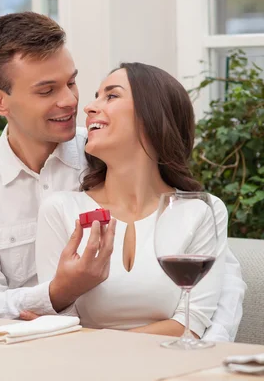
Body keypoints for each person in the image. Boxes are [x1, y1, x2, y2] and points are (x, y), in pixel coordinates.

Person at [0, 12, 246, 341]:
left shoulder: (112, 149)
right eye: (47, 90)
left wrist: (204, 346)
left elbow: (223, 279)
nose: (72, 101)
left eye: (71, 82)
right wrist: (57, 294)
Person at [35, 63, 227, 338]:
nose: (89, 107)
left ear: (152, 115)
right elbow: (60, 327)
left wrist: (98, 340)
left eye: (111, 96)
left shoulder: (200, 212)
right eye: (96, 96)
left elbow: (191, 324)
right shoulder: (62, 210)